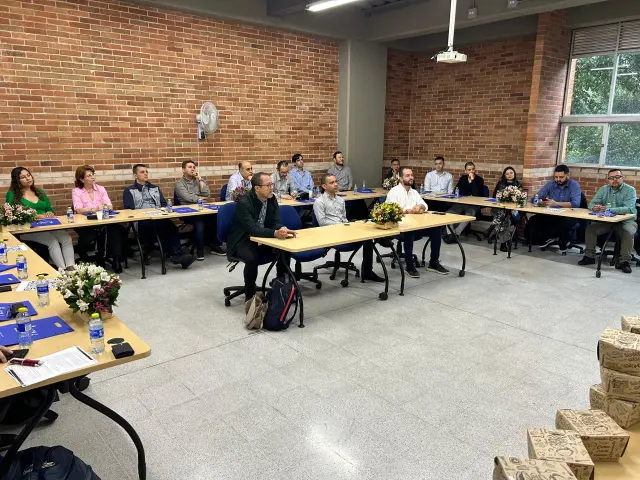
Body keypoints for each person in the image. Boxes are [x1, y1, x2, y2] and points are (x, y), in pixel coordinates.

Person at [226, 172, 296, 301]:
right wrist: (274, 233)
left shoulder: (271, 199)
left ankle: (281, 287)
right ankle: (250, 295)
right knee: (252, 258)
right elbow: (252, 229)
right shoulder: (245, 202)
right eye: (268, 185)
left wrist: (281, 228)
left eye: (272, 184)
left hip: (262, 237)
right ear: (257, 188)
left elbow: (275, 221)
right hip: (242, 239)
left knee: (285, 249)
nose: (272, 188)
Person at [313, 174, 384, 283]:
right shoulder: (319, 202)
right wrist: (340, 226)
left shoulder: (340, 200)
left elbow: (344, 218)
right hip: (330, 233)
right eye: (331, 183)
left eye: (335, 181)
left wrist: (347, 226)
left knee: (368, 237)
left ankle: (367, 272)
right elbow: (322, 223)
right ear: (324, 186)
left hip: (343, 229)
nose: (335, 184)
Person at [123, 164, 195, 269]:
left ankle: (177, 254)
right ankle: (176, 254)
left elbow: (163, 203)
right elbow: (130, 209)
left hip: (158, 217)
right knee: (161, 227)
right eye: (142, 172)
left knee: (170, 225)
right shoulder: (129, 190)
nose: (145, 174)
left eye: (146, 171)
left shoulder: (154, 188)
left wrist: (162, 210)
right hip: (142, 221)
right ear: (135, 175)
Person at [6, 167, 75, 271]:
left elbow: (50, 209)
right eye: (23, 177)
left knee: (66, 238)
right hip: (28, 228)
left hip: (47, 224)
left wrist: (49, 213)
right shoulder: (12, 194)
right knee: (52, 241)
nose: (28, 178)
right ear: (17, 180)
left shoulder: (40, 192)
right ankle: (63, 271)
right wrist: (38, 216)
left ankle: (71, 268)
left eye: (28, 175)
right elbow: (14, 212)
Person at [386, 167, 449, 278]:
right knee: (409, 232)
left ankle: (434, 263)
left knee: (436, 229)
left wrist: (420, 206)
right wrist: (408, 211)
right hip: (399, 228)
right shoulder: (394, 192)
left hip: (416, 225)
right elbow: (391, 211)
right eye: (407, 175)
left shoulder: (414, 192)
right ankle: (409, 266)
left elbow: (425, 205)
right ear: (400, 178)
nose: (411, 177)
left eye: (412, 175)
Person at [579, 169, 638, 273]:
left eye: (617, 177)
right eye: (611, 178)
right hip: (607, 220)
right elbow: (591, 204)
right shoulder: (603, 189)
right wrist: (595, 207)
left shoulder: (630, 190)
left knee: (627, 232)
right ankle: (589, 256)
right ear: (607, 179)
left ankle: (624, 261)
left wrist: (608, 209)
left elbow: (628, 208)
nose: (614, 180)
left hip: (626, 221)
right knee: (591, 229)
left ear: (622, 178)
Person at [72, 165, 125, 272]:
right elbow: (78, 209)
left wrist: (107, 207)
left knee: (116, 228)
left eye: (93, 175)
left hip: (103, 220)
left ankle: (116, 259)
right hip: (86, 223)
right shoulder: (76, 191)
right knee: (89, 237)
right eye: (89, 175)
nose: (92, 177)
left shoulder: (101, 189)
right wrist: (94, 209)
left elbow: (109, 205)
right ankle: (92, 257)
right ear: (82, 179)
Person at [174, 160, 226, 260]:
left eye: (194, 167)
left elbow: (206, 193)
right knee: (199, 222)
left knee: (218, 218)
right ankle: (199, 250)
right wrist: (200, 198)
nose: (193, 169)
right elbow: (188, 198)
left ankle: (214, 245)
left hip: (202, 210)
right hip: (188, 212)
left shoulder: (198, 181)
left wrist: (201, 179)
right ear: (183, 170)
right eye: (189, 167)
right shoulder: (179, 184)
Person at [527, 164, 582, 252]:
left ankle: (563, 240)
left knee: (560, 222)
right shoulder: (550, 184)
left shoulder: (574, 185)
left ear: (568, 175)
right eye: (556, 177)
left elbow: (575, 204)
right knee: (534, 220)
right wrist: (540, 201)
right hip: (552, 213)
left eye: (561, 177)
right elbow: (534, 198)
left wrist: (555, 203)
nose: (558, 179)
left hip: (569, 215)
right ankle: (543, 239)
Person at [444, 162, 485, 244]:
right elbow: (457, 190)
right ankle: (450, 234)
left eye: (473, 169)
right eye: (469, 170)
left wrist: (472, 181)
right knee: (448, 213)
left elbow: (476, 193)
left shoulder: (479, 180)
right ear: (465, 171)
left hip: (473, 205)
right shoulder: (462, 178)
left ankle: (456, 234)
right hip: (461, 203)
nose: (471, 171)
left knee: (469, 215)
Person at [485, 166, 522, 252]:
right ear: (504, 175)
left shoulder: (518, 184)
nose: (509, 175)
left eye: (511, 173)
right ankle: (503, 243)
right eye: (507, 174)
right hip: (499, 208)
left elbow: (520, 199)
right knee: (503, 217)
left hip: (511, 210)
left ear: (514, 174)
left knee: (505, 219)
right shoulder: (500, 183)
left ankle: (493, 227)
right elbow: (495, 196)